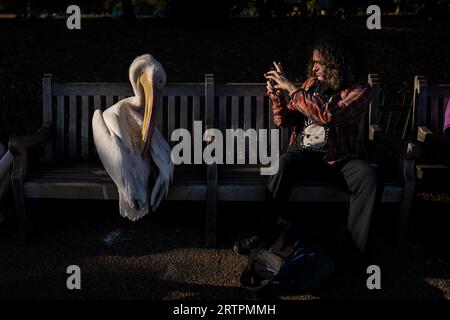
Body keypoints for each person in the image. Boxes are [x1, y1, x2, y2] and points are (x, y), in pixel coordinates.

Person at [233, 36, 383, 263]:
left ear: (336, 62)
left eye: (319, 63)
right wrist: (277, 98)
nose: (314, 68)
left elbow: (330, 116)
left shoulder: (360, 90)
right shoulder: (311, 85)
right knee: (284, 162)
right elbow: (286, 120)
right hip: (304, 153)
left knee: (369, 176)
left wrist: (292, 88)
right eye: (313, 62)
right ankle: (262, 235)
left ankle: (354, 252)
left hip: (339, 159)